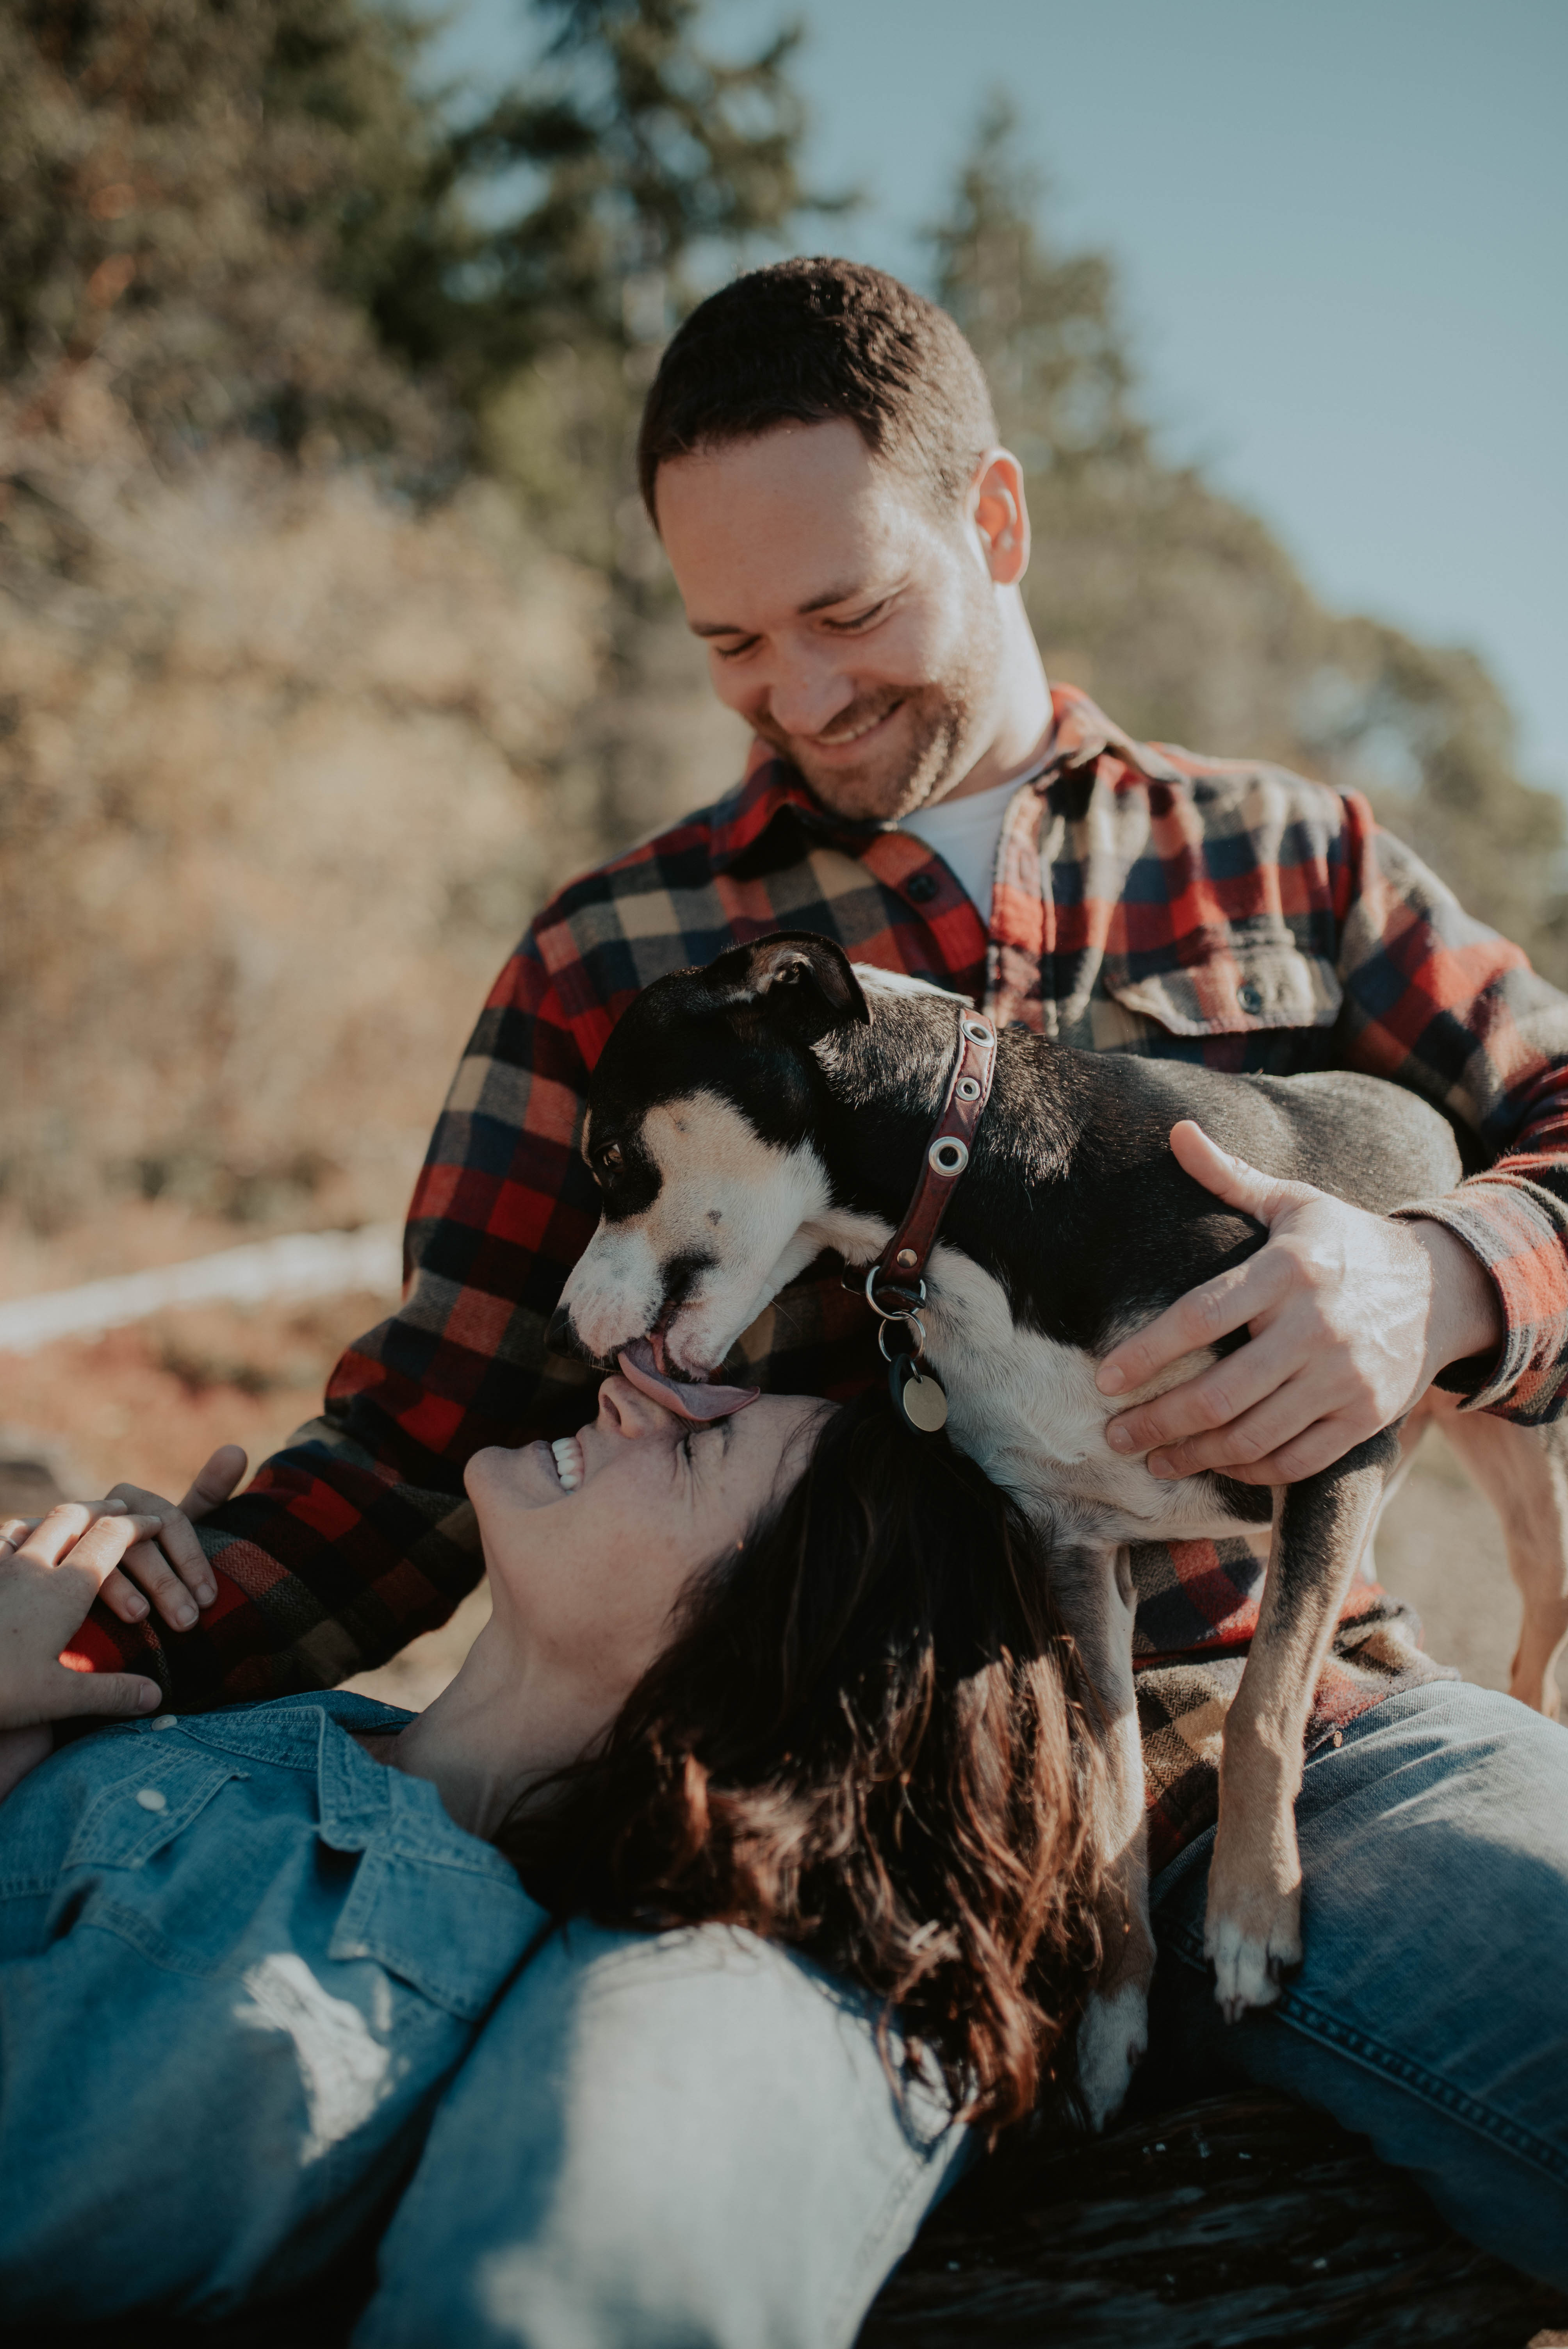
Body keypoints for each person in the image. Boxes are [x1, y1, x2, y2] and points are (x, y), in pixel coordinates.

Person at [68, 259, 1568, 2329]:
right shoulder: (616, 960)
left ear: (997, 519)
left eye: (847, 611)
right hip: (811, 1831)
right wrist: (111, 1626)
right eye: (732, 645)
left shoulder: (1290, 862)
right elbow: (430, 1437)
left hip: (1316, 1746)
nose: (799, 693)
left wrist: (1440, 1277)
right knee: (587, 2268)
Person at [0, 1368, 1103, 2327]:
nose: (629, 1393)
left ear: (744, 1659)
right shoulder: (331, 1747)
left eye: (702, 1447)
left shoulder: (328, 1989)